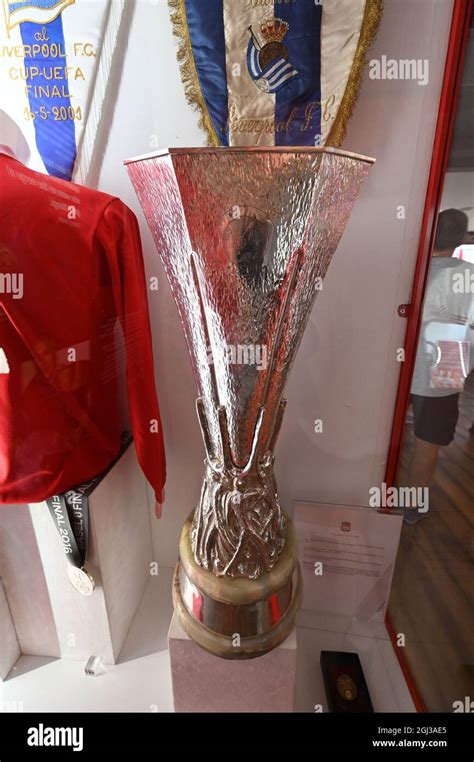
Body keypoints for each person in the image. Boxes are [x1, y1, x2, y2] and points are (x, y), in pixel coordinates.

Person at [407, 209, 474, 523]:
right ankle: (411, 508)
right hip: (446, 362)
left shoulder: (412, 268)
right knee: (428, 441)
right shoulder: (469, 275)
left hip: (403, 360)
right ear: (462, 237)